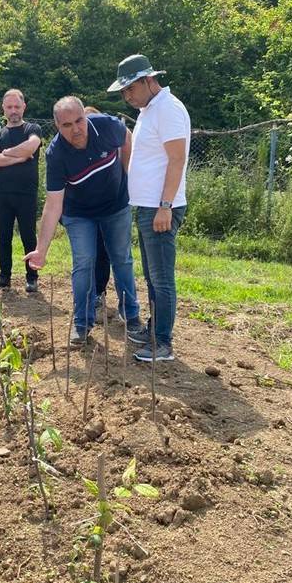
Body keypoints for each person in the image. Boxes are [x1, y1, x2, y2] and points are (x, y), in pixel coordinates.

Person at [24, 96, 145, 345]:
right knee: (84, 262)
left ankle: (131, 315)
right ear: (58, 126)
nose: (76, 129)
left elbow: (127, 138)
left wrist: (126, 173)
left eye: (80, 121)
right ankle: (82, 323)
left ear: (85, 116)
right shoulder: (56, 154)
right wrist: (41, 250)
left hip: (116, 206)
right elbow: (53, 203)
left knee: (122, 258)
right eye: (67, 125)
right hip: (78, 213)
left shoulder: (107, 126)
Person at [107, 53, 190, 362]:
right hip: (148, 208)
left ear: (148, 80)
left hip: (160, 209)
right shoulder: (150, 109)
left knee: (162, 278)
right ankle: (155, 329)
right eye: (123, 91)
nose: (127, 96)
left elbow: (177, 159)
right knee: (153, 277)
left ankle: (162, 342)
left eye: (130, 88)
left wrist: (165, 206)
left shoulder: (167, 109)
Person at [0, 89, 41, 293]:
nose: (13, 111)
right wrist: (19, 158)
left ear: (23, 107)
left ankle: (32, 277)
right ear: (3, 108)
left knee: (28, 236)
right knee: (3, 236)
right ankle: (4, 277)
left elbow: (32, 146)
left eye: (17, 106)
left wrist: (7, 153)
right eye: (9, 107)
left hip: (26, 193)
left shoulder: (32, 128)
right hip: (2, 194)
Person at [84, 106, 111, 308]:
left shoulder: (107, 146)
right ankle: (86, 291)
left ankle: (99, 291)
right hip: (82, 213)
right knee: (86, 254)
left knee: (103, 252)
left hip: (107, 210)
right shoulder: (73, 148)